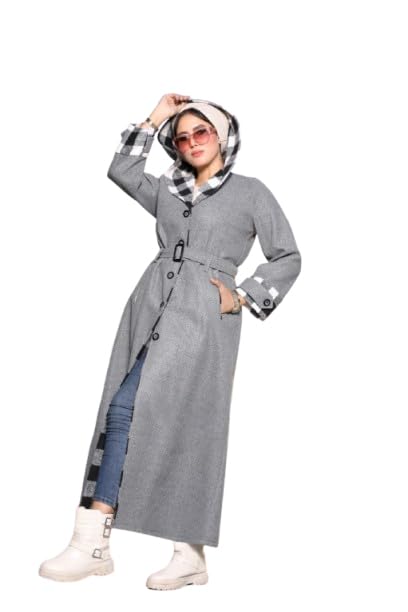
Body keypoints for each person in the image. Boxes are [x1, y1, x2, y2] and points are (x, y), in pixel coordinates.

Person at [39, 93, 302, 589]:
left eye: (201, 132)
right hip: (151, 302)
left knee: (192, 423)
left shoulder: (251, 192)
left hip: (204, 315)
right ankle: (92, 543)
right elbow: (121, 169)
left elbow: (287, 255)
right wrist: (155, 117)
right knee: (121, 409)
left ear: (221, 135)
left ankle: (188, 555)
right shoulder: (168, 190)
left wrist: (242, 297)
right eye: (181, 137)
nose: (192, 142)